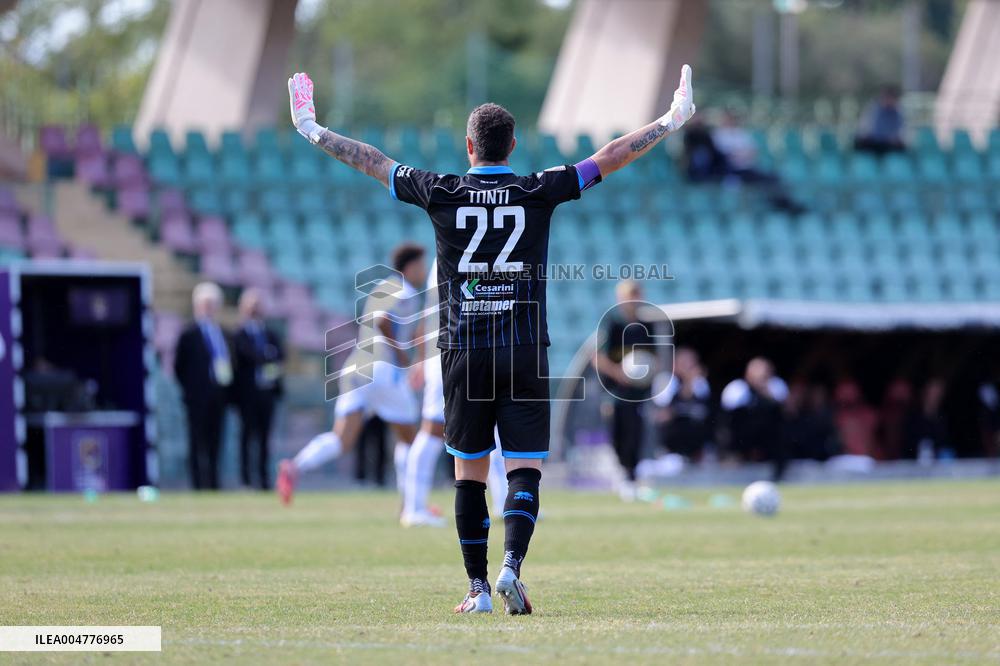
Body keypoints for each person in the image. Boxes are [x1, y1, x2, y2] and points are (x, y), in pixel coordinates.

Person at [284, 64, 695, 614]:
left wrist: (311, 127)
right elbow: (612, 155)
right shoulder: (538, 189)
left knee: (468, 474)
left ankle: (476, 589)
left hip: (464, 351)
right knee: (523, 468)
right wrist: (669, 120)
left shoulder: (441, 191)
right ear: (514, 145)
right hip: (524, 346)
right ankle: (511, 568)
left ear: (470, 145)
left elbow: (371, 160)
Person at [277, 243, 426, 504]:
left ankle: (294, 467)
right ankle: (412, 506)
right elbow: (382, 321)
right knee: (413, 439)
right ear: (411, 266)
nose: (423, 271)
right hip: (382, 369)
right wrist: (402, 356)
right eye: (421, 265)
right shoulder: (404, 290)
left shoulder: (383, 288)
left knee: (341, 439)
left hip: (357, 366)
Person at [401, 258, 508, 528]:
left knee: (493, 427)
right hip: (450, 353)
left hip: (468, 353)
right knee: (433, 430)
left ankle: (504, 501)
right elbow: (464, 298)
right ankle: (413, 508)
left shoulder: (460, 252)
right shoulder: (453, 256)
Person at [594, 280, 660, 501]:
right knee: (618, 432)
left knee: (636, 431)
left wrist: (647, 374)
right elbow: (598, 358)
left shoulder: (646, 326)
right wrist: (619, 374)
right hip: (616, 392)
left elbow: (654, 359)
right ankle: (621, 474)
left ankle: (632, 475)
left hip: (638, 393)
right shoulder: (612, 324)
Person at [174, 282, 232, 490]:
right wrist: (191, 390)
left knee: (216, 441)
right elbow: (179, 367)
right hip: (197, 398)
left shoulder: (223, 333)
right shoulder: (188, 334)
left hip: (218, 396)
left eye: (212, 304)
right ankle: (198, 484)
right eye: (205, 304)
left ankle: (214, 483)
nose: (209, 308)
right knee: (197, 442)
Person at [232, 287, 283, 490]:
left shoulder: (270, 334)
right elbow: (245, 357)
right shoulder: (239, 335)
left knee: (264, 438)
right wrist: (263, 357)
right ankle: (246, 479)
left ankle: (263, 479)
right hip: (247, 395)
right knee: (246, 436)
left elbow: (278, 357)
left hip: (267, 393)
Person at [720, 357, 789, 481]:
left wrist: (765, 392)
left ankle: (778, 477)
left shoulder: (776, 386)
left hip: (768, 436)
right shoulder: (736, 388)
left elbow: (787, 413)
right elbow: (727, 420)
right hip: (743, 436)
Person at [652, 347, 712, 460]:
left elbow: (703, 413)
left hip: (696, 448)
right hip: (671, 450)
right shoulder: (665, 381)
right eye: (685, 364)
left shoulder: (700, 384)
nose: (689, 368)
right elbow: (663, 416)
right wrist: (688, 382)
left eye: (692, 364)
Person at [854, 86, 905, 155]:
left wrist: (893, 138)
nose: (888, 101)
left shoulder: (898, 113)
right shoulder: (873, 110)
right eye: (887, 98)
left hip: (889, 144)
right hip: (875, 142)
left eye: (891, 98)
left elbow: (901, 132)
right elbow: (866, 130)